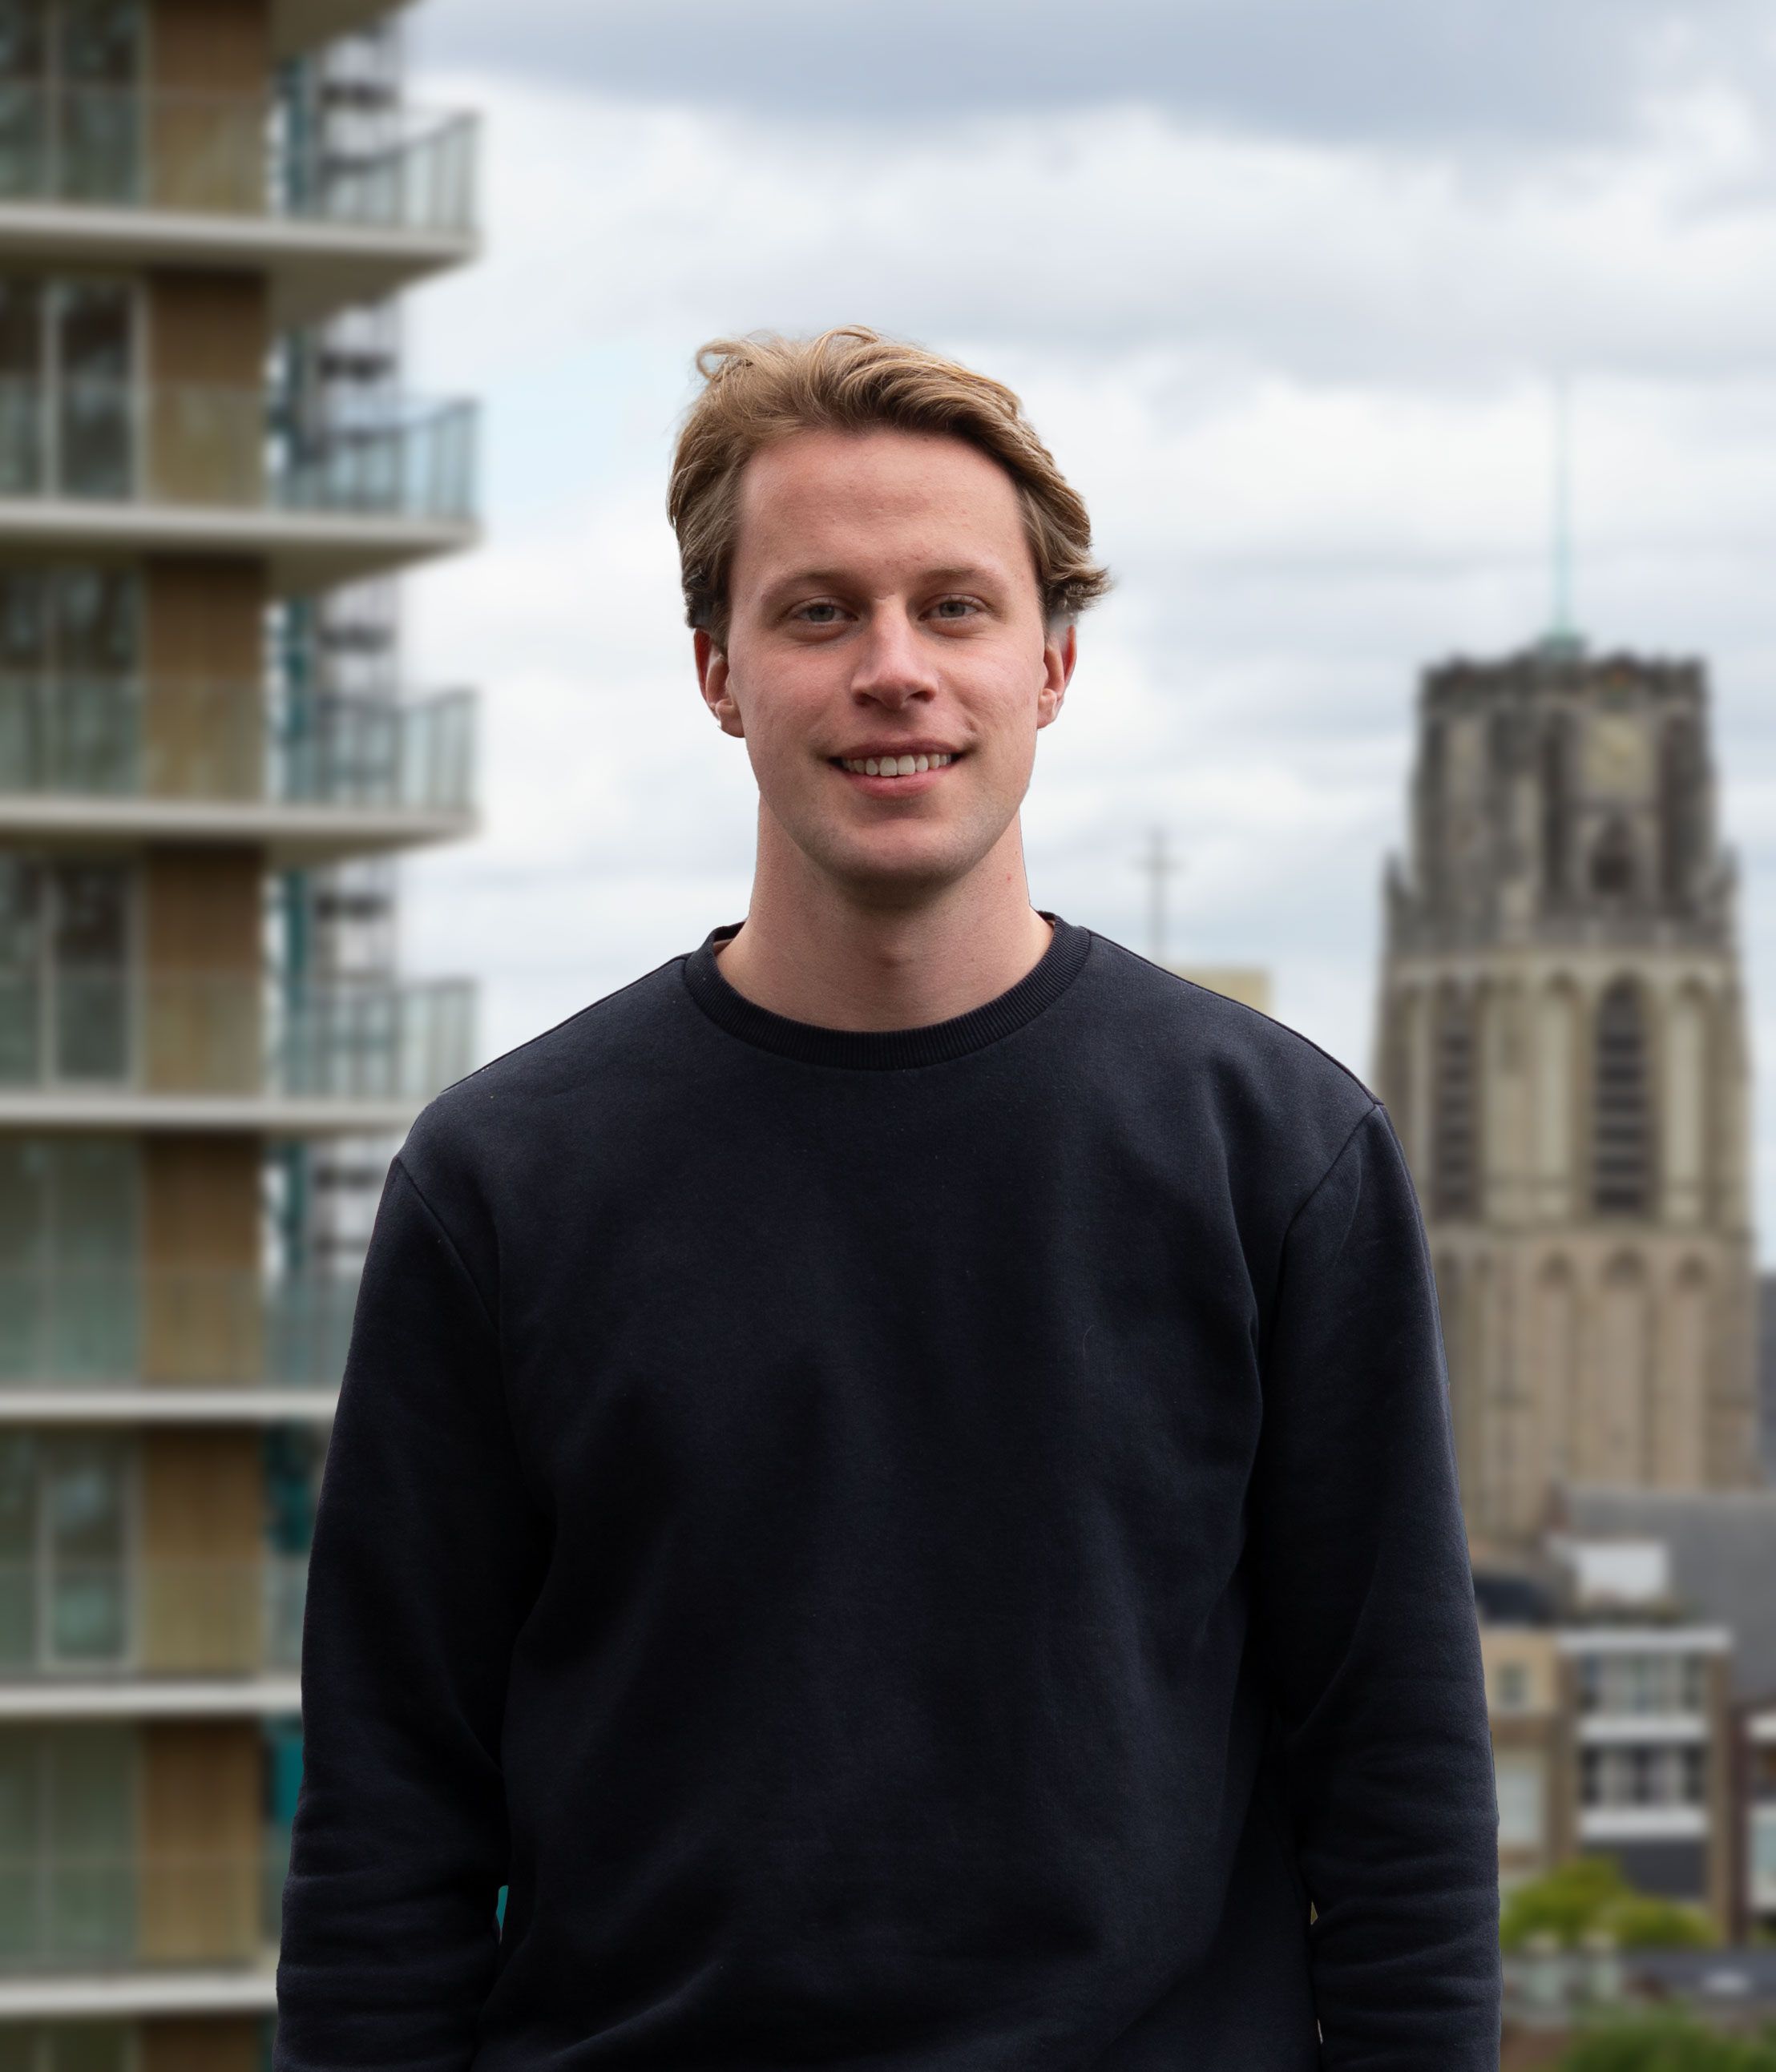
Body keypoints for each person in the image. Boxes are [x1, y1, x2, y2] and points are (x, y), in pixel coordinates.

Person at [274, 325, 1502, 2070]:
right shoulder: (503, 1180)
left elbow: (1403, 1794)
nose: (895, 669)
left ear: (1051, 662)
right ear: (719, 671)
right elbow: (387, 1820)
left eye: (954, 607)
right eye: (818, 612)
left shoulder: (1278, 1154)